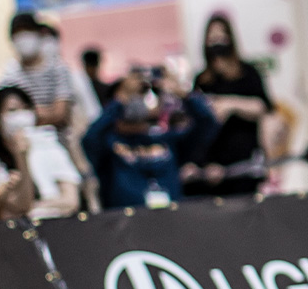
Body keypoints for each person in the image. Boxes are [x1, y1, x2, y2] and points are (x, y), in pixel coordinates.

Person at [82, 70, 217, 210]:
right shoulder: (108, 143)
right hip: (124, 225)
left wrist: (184, 94)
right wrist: (119, 101)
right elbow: (89, 139)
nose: (141, 99)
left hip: (171, 221)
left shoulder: (169, 140)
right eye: (136, 94)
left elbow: (207, 123)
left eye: (147, 92)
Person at [185, 13, 272, 196]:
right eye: (212, 36)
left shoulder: (248, 72)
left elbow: (263, 106)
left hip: (242, 162)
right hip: (212, 165)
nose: (217, 41)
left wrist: (230, 104)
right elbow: (197, 123)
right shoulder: (202, 79)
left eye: (221, 35)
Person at [0, 85, 81, 219]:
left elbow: (71, 200)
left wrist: (36, 209)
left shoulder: (49, 145)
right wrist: (21, 157)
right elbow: (20, 205)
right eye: (12, 110)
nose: (21, 115)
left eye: (26, 108)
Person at [0, 12, 75, 132]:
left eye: (27, 30)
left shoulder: (58, 68)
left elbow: (61, 114)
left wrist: (27, 115)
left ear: (39, 33)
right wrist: (48, 111)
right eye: (18, 32)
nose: (23, 37)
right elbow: (7, 117)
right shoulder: (10, 73)